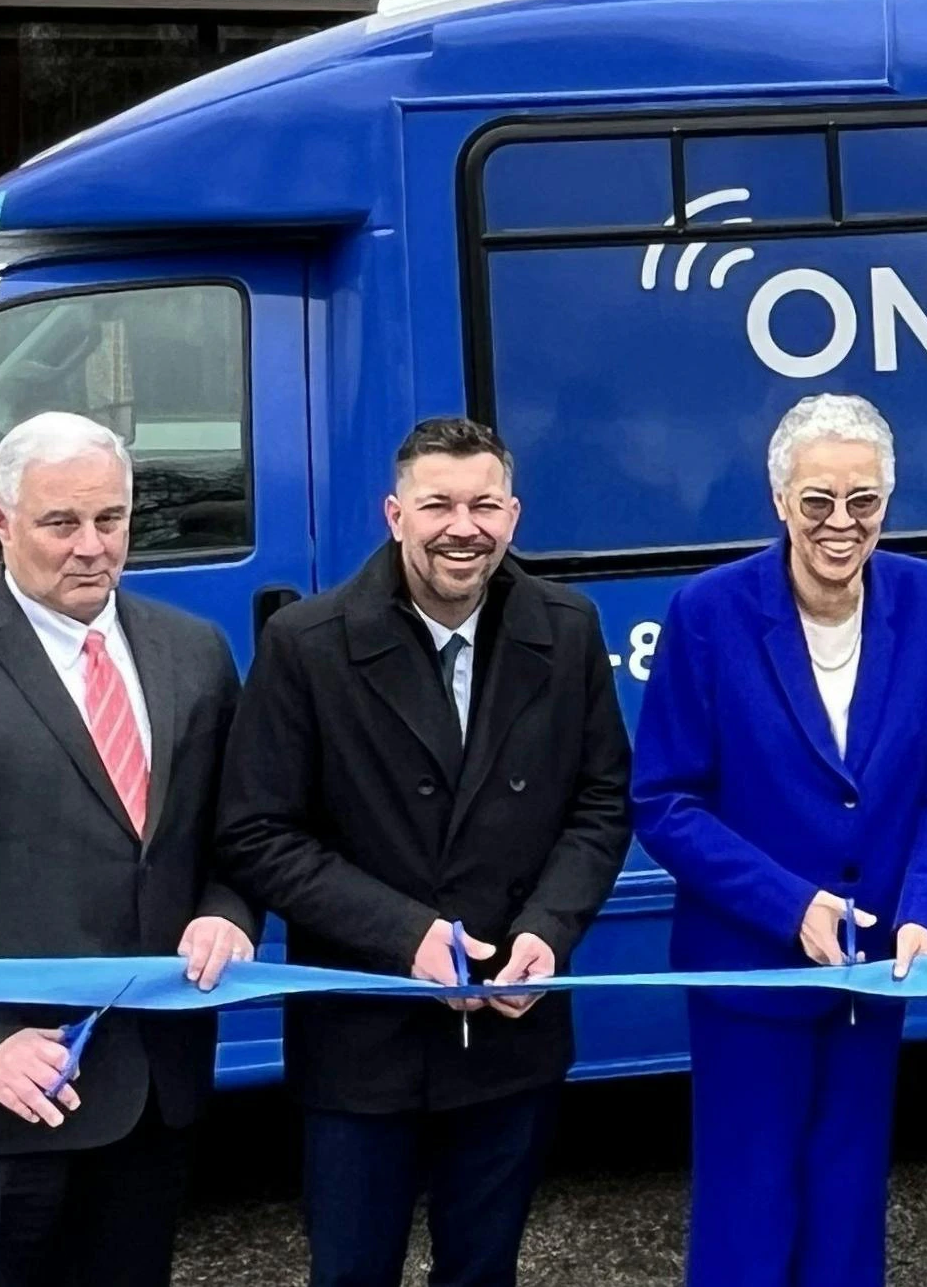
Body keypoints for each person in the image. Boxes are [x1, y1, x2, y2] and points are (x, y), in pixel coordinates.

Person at [0, 410, 260, 1287]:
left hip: (148, 1094)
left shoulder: (195, 654)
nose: (91, 546)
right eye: (60, 523)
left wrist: (227, 912)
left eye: (110, 520)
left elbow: (235, 833)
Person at [217, 417, 634, 1287]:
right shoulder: (307, 645)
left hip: (512, 1031)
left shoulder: (568, 628)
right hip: (362, 1039)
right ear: (394, 515)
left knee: (484, 1273)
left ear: (514, 516)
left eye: (484, 504)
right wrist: (404, 935)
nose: (463, 526)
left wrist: (548, 932)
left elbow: (601, 802)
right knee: (352, 1273)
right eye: (438, 503)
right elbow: (257, 832)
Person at [631, 392, 927, 1287]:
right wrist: (790, 905)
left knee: (849, 1208)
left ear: (887, 504)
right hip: (749, 971)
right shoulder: (707, 612)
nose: (841, 523)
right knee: (747, 1216)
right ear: (780, 500)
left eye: (862, 501)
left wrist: (920, 912)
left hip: (875, 976)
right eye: (818, 500)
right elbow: (665, 800)